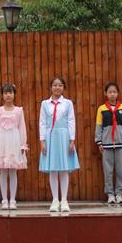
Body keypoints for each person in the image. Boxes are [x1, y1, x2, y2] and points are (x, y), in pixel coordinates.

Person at [39, 77, 79, 213]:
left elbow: (71, 121)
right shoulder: (45, 104)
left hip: (64, 137)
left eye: (60, 85)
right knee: (53, 169)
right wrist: (42, 140)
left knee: (64, 169)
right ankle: (55, 200)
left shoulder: (68, 103)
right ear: (51, 87)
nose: (57, 87)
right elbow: (42, 122)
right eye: (55, 85)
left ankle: (64, 200)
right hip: (50, 137)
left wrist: (72, 139)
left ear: (63, 87)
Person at [0, 83, 28, 210]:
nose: (8, 95)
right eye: (6, 93)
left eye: (10, 92)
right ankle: (4, 200)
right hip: (2, 141)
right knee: (3, 171)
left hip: (14, 141)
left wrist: (23, 144)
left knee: (13, 171)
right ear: (2, 95)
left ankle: (12, 200)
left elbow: (22, 128)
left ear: (14, 94)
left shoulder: (18, 111)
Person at [94, 82, 122, 205]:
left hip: (121, 144)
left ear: (118, 93)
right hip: (106, 145)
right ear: (105, 93)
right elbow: (98, 126)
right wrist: (99, 142)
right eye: (110, 92)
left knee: (120, 170)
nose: (112, 94)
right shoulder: (102, 109)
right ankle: (110, 194)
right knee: (108, 171)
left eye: (114, 92)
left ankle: (119, 193)